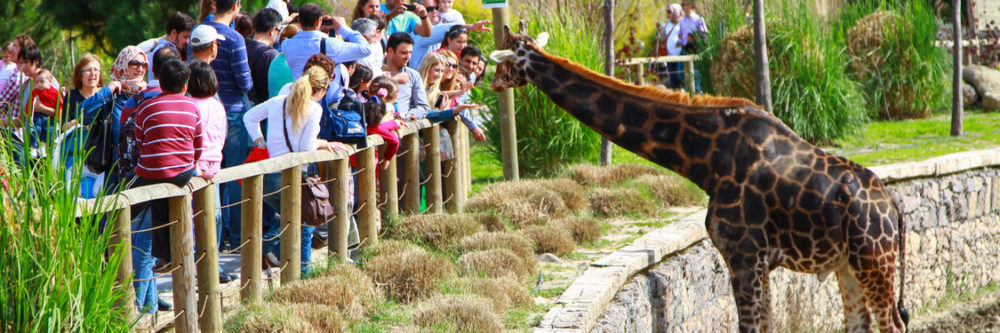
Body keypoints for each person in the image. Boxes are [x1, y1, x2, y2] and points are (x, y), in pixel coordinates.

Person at [243, 66, 347, 274]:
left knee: (291, 220)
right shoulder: (314, 109)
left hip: (271, 173)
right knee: (303, 223)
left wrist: (260, 140)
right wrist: (323, 142)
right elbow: (307, 148)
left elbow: (249, 117)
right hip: (294, 175)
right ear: (321, 90)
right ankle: (301, 273)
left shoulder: (277, 102)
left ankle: (264, 256)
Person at [129, 59, 202, 313]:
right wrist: (188, 166)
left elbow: (140, 141)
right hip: (183, 175)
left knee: (127, 218)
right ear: (185, 85)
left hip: (150, 172)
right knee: (158, 223)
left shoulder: (146, 107)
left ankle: (142, 301)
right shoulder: (192, 107)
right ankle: (165, 257)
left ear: (159, 82)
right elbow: (198, 143)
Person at [79, 46, 148, 194]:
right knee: (113, 216)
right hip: (115, 173)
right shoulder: (113, 96)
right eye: (134, 63)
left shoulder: (147, 96)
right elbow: (82, 114)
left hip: (144, 172)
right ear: (123, 64)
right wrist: (107, 90)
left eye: (144, 65)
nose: (140, 69)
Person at [281, 3, 371, 108]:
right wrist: (342, 27)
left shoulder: (286, 45)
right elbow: (366, 49)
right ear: (318, 21)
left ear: (299, 20)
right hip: (325, 107)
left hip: (300, 102)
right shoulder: (330, 45)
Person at [62, 54, 104, 194]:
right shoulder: (72, 96)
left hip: (100, 155)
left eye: (96, 70)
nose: (93, 74)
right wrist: (79, 122)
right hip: (75, 155)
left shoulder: (105, 95)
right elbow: (63, 126)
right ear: (80, 74)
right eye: (88, 70)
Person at [383, 32, 429, 120]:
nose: (408, 57)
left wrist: (408, 116)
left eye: (410, 52)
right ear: (390, 51)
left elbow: (422, 107)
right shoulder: (376, 71)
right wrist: (393, 80)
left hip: (404, 129)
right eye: (404, 53)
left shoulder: (413, 75)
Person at [247, 8, 283, 105]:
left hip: (247, 106)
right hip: (264, 110)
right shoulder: (272, 55)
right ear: (272, 30)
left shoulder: (243, 48)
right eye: (278, 31)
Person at [148, 12, 196, 81]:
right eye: (185, 37)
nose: (188, 41)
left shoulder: (161, 48)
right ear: (174, 33)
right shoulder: (165, 52)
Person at [656, 4, 684, 89]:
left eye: (670, 12)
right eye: (667, 12)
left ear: (676, 13)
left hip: (679, 55)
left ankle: (682, 93)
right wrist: (659, 31)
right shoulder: (668, 24)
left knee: (679, 76)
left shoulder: (682, 23)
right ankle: (675, 94)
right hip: (670, 55)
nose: (668, 14)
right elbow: (663, 37)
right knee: (672, 78)